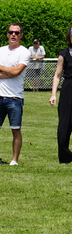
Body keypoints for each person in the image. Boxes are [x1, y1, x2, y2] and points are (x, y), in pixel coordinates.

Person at [0, 23, 31, 166]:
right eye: (11, 32)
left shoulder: (24, 52)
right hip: (0, 97)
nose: (13, 35)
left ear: (21, 35)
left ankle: (14, 160)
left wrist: (1, 67)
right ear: (7, 34)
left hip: (15, 98)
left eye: (16, 33)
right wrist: (9, 72)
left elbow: (17, 71)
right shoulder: (0, 51)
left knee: (15, 130)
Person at [49, 26, 72, 163]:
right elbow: (57, 75)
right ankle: (65, 156)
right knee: (64, 124)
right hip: (68, 88)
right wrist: (53, 94)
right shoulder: (64, 54)